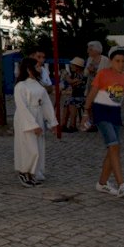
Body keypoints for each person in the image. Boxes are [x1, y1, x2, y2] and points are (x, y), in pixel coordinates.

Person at [83, 48, 124, 197]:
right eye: (117, 61)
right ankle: (122, 185)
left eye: (123, 61)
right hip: (101, 111)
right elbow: (92, 93)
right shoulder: (103, 74)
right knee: (114, 145)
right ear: (111, 62)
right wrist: (86, 112)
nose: (121, 64)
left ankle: (102, 183)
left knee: (113, 149)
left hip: (115, 114)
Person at [13, 57, 58, 187]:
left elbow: (46, 104)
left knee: (38, 146)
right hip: (25, 118)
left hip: (37, 115)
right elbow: (22, 107)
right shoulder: (21, 86)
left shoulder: (38, 84)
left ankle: (34, 172)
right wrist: (32, 125)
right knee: (29, 147)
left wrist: (52, 122)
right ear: (29, 69)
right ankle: (24, 171)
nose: (40, 69)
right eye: (37, 67)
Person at [60, 57, 86, 133]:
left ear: (77, 67)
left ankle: (72, 125)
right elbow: (73, 85)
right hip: (77, 96)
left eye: (72, 65)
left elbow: (71, 82)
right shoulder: (76, 74)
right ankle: (64, 125)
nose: (71, 67)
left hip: (83, 97)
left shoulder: (82, 75)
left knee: (71, 101)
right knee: (67, 101)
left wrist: (66, 76)